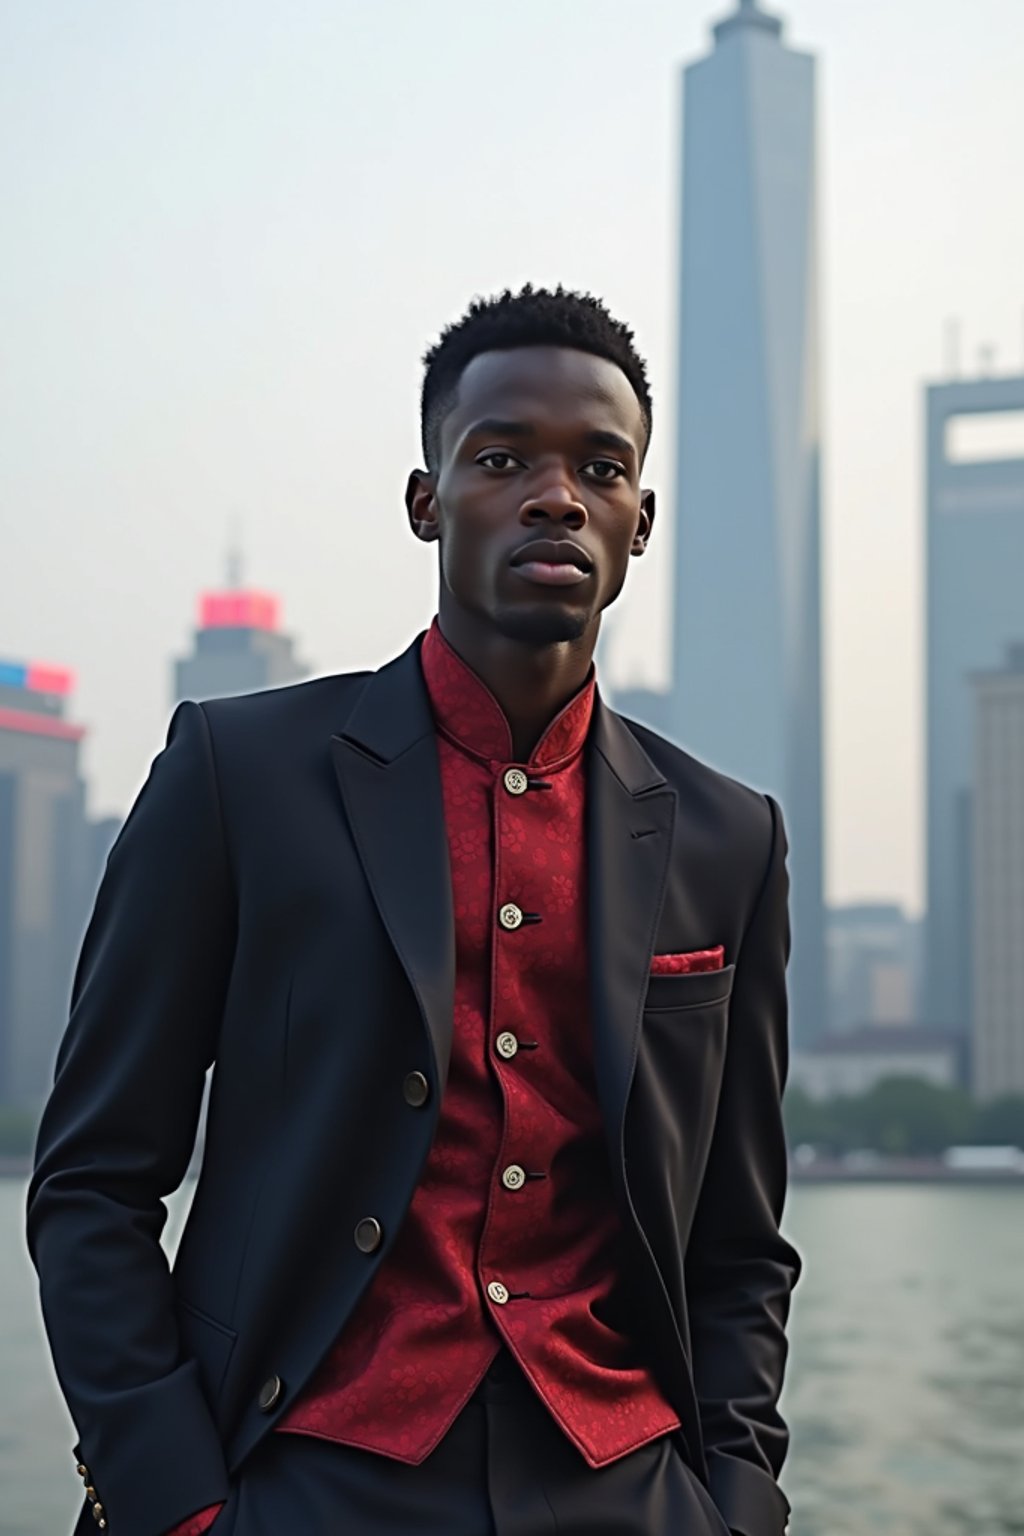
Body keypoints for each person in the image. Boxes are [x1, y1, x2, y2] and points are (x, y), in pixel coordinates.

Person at [28, 285, 801, 1536]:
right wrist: (173, 1498)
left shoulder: (729, 837)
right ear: (425, 500)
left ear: (640, 520)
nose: (556, 495)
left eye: (600, 468)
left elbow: (738, 1239)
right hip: (297, 1475)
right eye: (502, 459)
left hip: (632, 1485)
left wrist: (738, 1503)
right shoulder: (239, 776)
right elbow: (92, 1183)